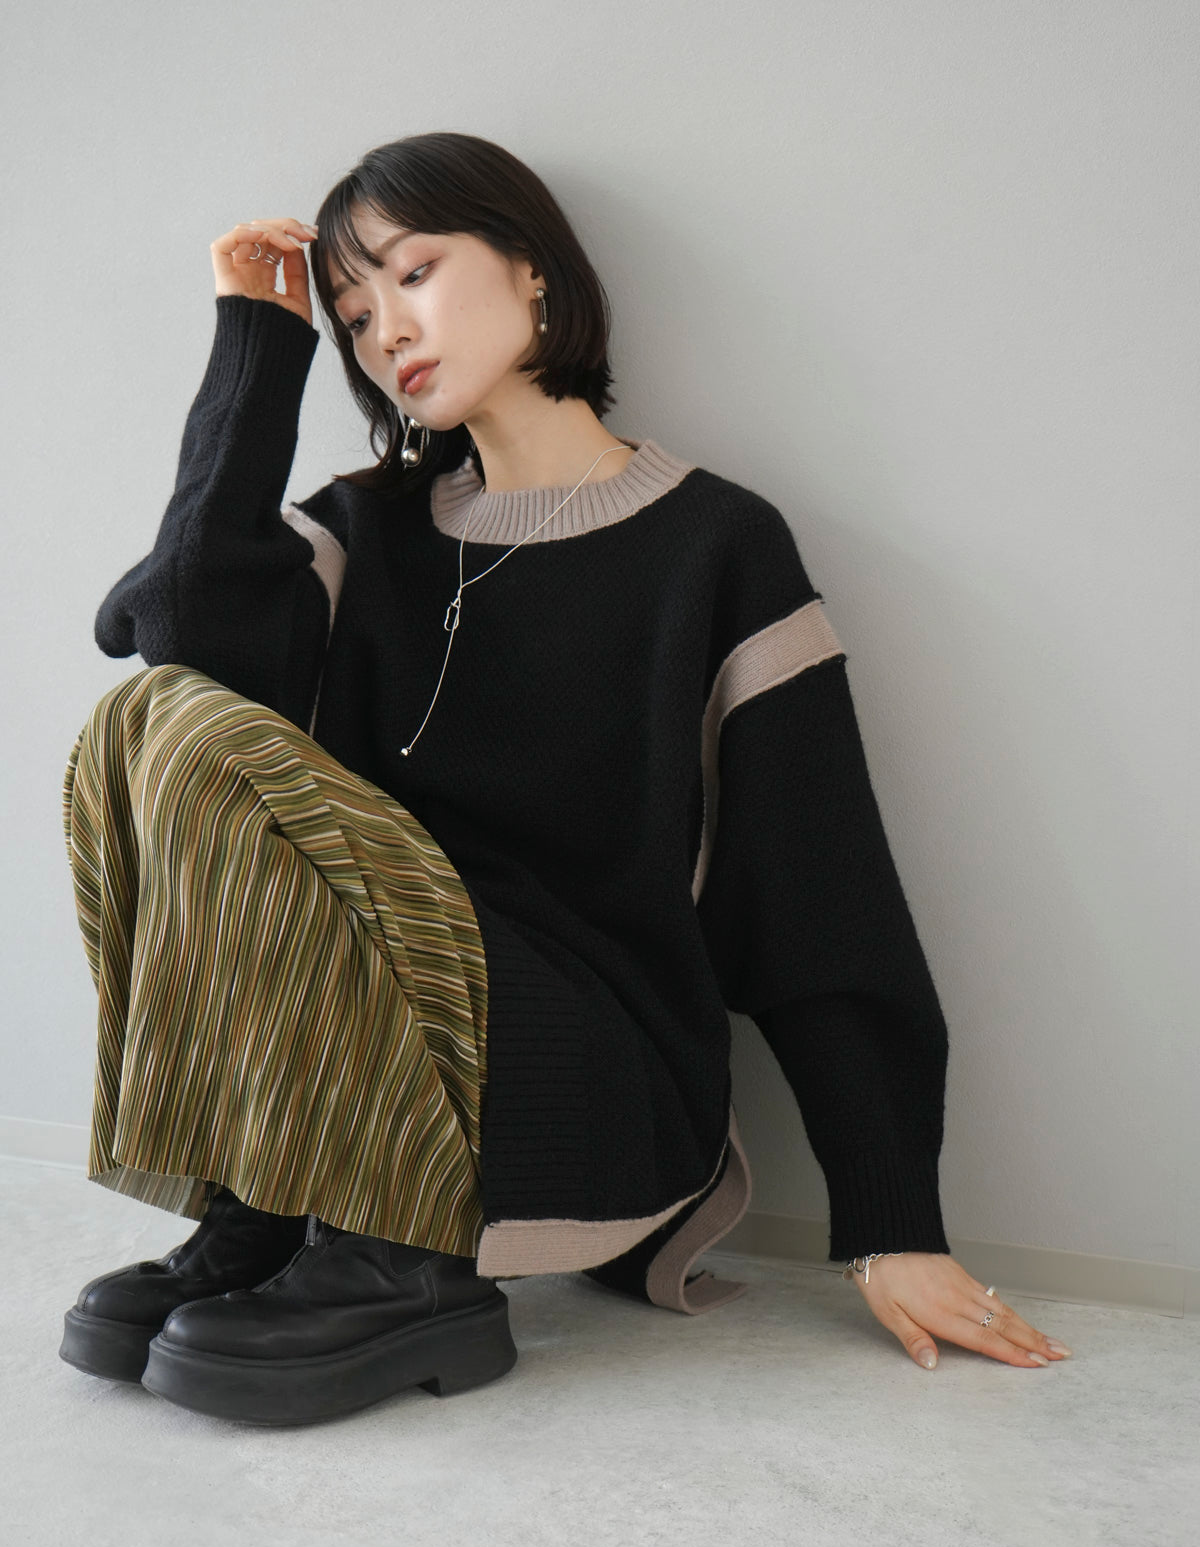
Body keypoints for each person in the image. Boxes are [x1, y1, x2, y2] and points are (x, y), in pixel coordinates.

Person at [58, 131, 1070, 1427]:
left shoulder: (714, 545)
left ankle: (402, 1253)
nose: (385, 332)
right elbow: (176, 627)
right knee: (152, 716)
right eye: (354, 315)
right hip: (379, 1039)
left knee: (189, 728)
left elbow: (818, 894)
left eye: (414, 274)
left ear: (531, 268)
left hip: (583, 1068)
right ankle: (268, 1201)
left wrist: (893, 1223)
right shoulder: (369, 528)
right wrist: (258, 352)